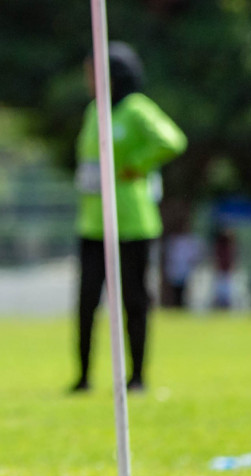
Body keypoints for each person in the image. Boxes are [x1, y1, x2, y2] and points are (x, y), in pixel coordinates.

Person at [71, 43, 186, 394]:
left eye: (94, 72)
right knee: (87, 301)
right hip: (93, 222)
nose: (89, 80)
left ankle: (137, 377)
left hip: (131, 222)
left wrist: (137, 164)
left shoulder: (136, 109)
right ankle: (84, 376)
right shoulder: (95, 111)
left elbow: (172, 140)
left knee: (134, 300)